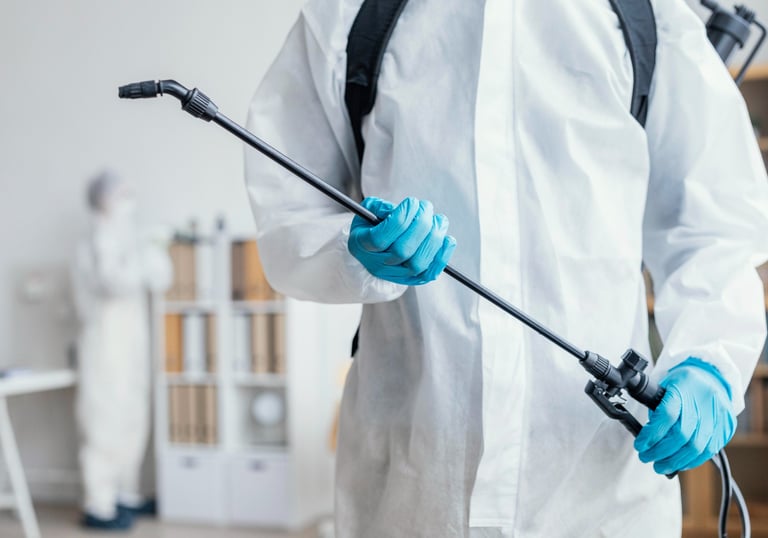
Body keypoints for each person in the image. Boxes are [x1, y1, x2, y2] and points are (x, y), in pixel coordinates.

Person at [244, 1, 768, 536]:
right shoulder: (347, 14)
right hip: (410, 489)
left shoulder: (652, 16)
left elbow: (714, 225)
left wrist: (708, 361)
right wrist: (352, 247)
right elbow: (288, 209)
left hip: (598, 497)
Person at [71, 171, 171, 530]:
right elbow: (114, 282)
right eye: (122, 194)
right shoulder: (96, 239)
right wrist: (141, 255)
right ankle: (98, 504)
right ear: (103, 199)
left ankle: (125, 494)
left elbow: (160, 278)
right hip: (103, 344)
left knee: (133, 415)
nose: (129, 201)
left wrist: (150, 249)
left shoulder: (129, 238)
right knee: (104, 419)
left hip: (131, 343)